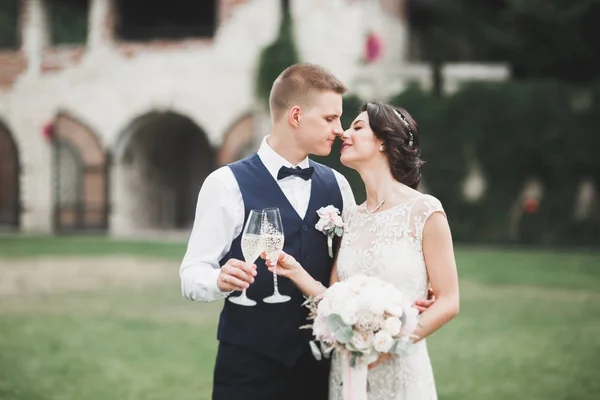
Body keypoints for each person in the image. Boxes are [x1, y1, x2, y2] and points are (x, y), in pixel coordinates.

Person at [264, 101, 460, 399]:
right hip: (349, 371)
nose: (343, 133)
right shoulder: (351, 217)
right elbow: (332, 299)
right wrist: (294, 271)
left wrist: (387, 347)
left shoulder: (424, 211)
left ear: (383, 141)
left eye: (357, 127)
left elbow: (448, 301)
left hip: (400, 369)